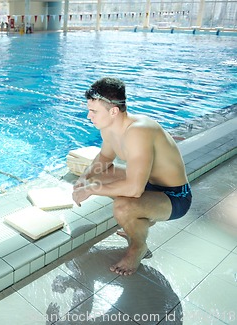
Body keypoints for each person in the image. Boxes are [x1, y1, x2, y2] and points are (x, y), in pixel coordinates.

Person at [72, 77, 192, 276]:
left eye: (93, 111)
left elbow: (134, 190)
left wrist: (91, 189)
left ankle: (138, 247)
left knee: (123, 206)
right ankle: (140, 220)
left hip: (175, 196)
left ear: (113, 111)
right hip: (148, 184)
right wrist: (85, 179)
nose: (88, 116)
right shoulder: (110, 129)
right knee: (100, 176)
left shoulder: (138, 131)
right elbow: (105, 157)